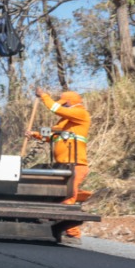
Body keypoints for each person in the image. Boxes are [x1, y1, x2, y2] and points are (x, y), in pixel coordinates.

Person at [25, 87, 91, 245]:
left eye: (65, 104)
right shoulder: (64, 121)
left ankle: (73, 235)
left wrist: (43, 96)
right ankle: (51, 225)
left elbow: (55, 108)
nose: (64, 107)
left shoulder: (80, 114)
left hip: (76, 165)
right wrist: (35, 134)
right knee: (55, 196)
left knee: (69, 197)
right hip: (61, 165)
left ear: (70, 104)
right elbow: (53, 135)